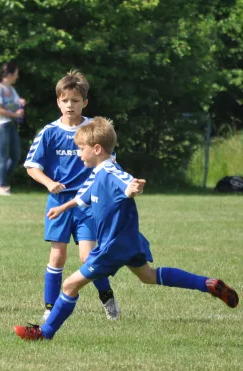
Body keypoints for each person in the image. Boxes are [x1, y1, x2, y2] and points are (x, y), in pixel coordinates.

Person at [14, 117, 239, 341]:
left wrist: (133, 188)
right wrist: (62, 207)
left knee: (70, 284)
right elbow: (83, 196)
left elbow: (127, 183)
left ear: (97, 148)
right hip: (129, 241)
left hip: (112, 246)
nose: (79, 154)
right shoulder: (97, 172)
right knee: (149, 276)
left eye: (81, 149)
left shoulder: (111, 172)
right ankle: (207, 284)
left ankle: (45, 333)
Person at [24, 70, 119, 322]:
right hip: (58, 202)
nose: (70, 105)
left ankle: (106, 296)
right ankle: (49, 307)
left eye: (75, 101)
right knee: (57, 255)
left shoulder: (93, 131)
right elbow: (32, 166)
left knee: (88, 256)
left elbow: (109, 164)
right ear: (58, 102)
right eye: (65, 100)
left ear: (84, 103)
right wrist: (48, 182)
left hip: (87, 203)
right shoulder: (48, 132)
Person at [0, 60, 25, 196]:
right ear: (9, 74)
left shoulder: (11, 89)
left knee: (15, 156)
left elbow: (11, 107)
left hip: (9, 124)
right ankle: (2, 186)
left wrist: (20, 105)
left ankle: (0, 182)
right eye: (16, 74)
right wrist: (15, 113)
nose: (17, 76)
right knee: (3, 157)